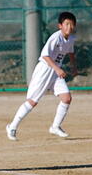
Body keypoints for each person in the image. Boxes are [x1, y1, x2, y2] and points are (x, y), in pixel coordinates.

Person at [6, 11, 79, 140]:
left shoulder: (71, 38)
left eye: (72, 24)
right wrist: (57, 69)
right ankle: (12, 126)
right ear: (60, 26)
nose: (69, 27)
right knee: (32, 102)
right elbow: (45, 55)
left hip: (55, 72)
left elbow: (70, 52)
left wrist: (73, 67)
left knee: (66, 98)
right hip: (44, 70)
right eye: (66, 24)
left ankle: (55, 127)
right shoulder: (55, 37)